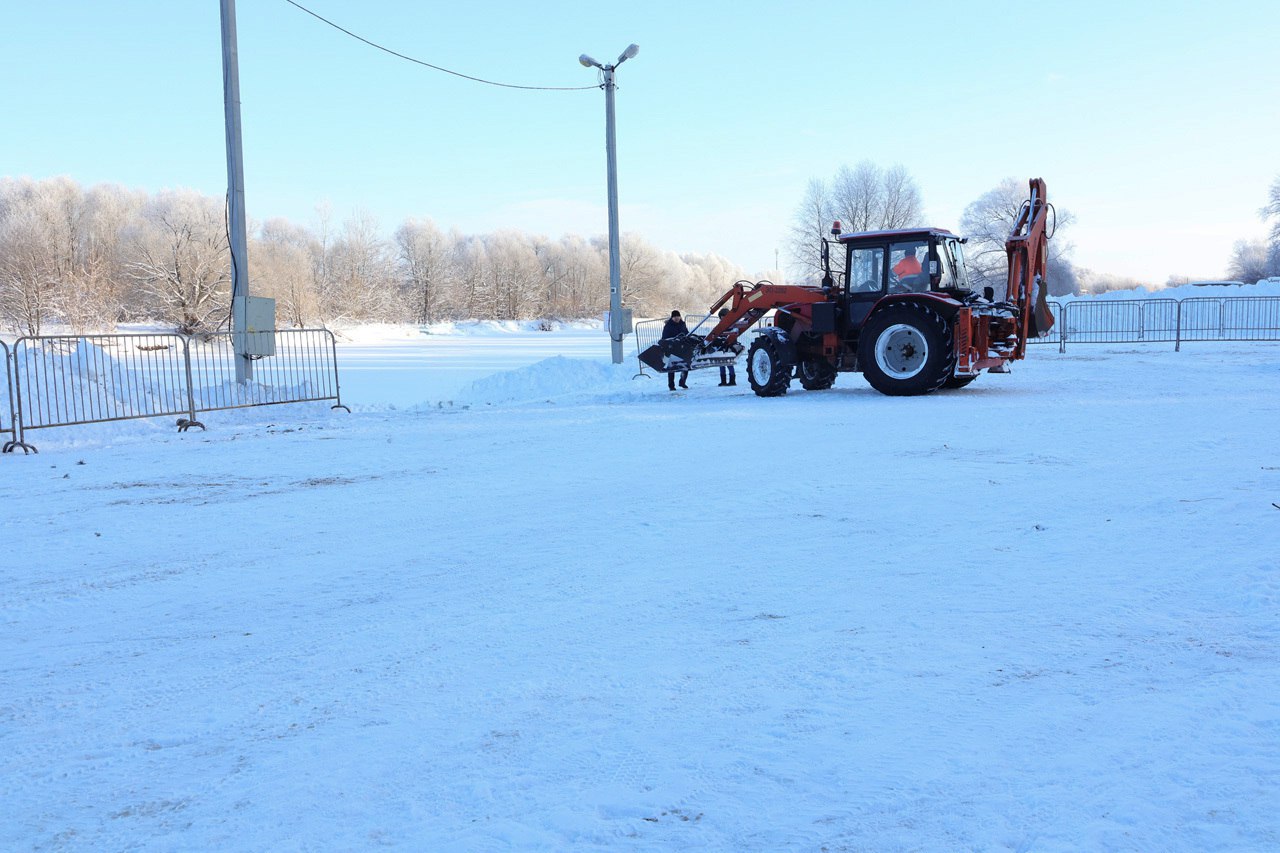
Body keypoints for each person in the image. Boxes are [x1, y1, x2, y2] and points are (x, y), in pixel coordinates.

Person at [661, 309, 689, 391]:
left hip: (682, 348)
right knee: (671, 368)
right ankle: (671, 385)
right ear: (672, 317)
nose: (677, 318)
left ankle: (682, 382)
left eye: (678, 316)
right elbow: (664, 338)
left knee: (685, 366)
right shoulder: (668, 326)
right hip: (672, 348)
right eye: (675, 317)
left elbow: (686, 333)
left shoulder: (683, 324)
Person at [717, 307, 736, 386]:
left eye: (724, 316)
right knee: (721, 364)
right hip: (722, 346)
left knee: (729, 363)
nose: (722, 317)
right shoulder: (720, 324)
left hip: (729, 346)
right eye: (721, 316)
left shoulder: (731, 324)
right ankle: (723, 381)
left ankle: (732, 381)